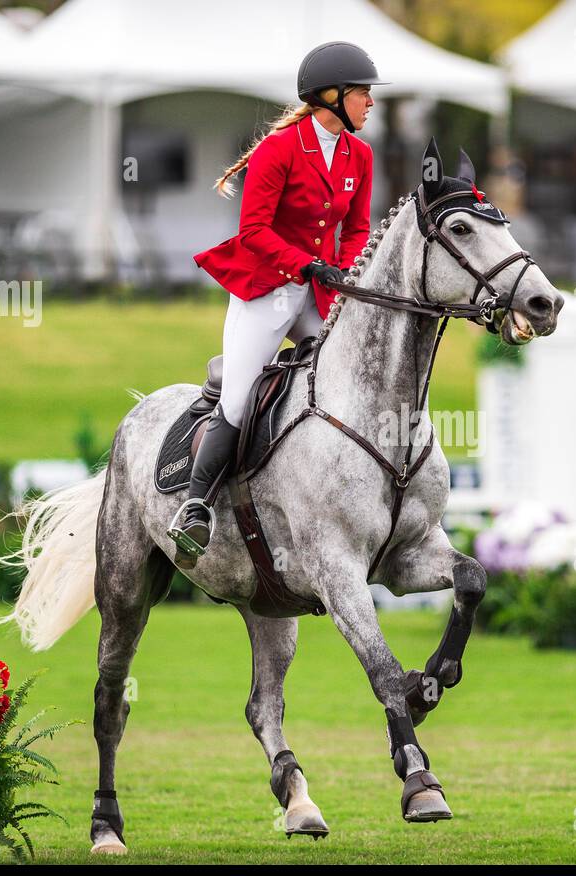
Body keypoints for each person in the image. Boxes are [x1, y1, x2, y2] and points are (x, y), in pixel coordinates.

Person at [170, 42, 386, 566]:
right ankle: (195, 507)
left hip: (318, 294)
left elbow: (356, 228)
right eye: (362, 94)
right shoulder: (281, 149)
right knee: (239, 400)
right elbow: (253, 231)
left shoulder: (361, 155)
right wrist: (309, 264)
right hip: (267, 289)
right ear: (330, 97)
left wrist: (346, 272)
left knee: (345, 383)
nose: (369, 104)